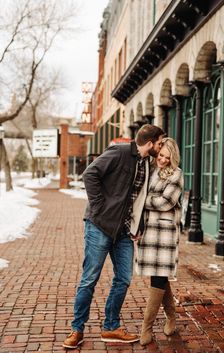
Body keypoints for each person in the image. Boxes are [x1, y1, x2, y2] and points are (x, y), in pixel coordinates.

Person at [62, 124, 166, 349]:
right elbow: (90, 174)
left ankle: (110, 327)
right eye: (160, 142)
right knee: (89, 279)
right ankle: (77, 329)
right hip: (99, 226)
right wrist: (99, 207)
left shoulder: (146, 163)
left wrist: (138, 225)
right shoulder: (119, 152)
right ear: (150, 142)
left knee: (124, 279)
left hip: (124, 232)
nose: (161, 146)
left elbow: (137, 198)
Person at [135, 137, 184, 346]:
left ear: (173, 158)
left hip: (165, 232)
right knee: (159, 276)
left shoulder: (177, 174)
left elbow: (166, 202)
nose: (163, 160)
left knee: (158, 277)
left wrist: (142, 199)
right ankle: (172, 317)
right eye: (161, 155)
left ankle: (146, 328)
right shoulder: (150, 169)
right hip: (149, 230)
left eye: (167, 157)